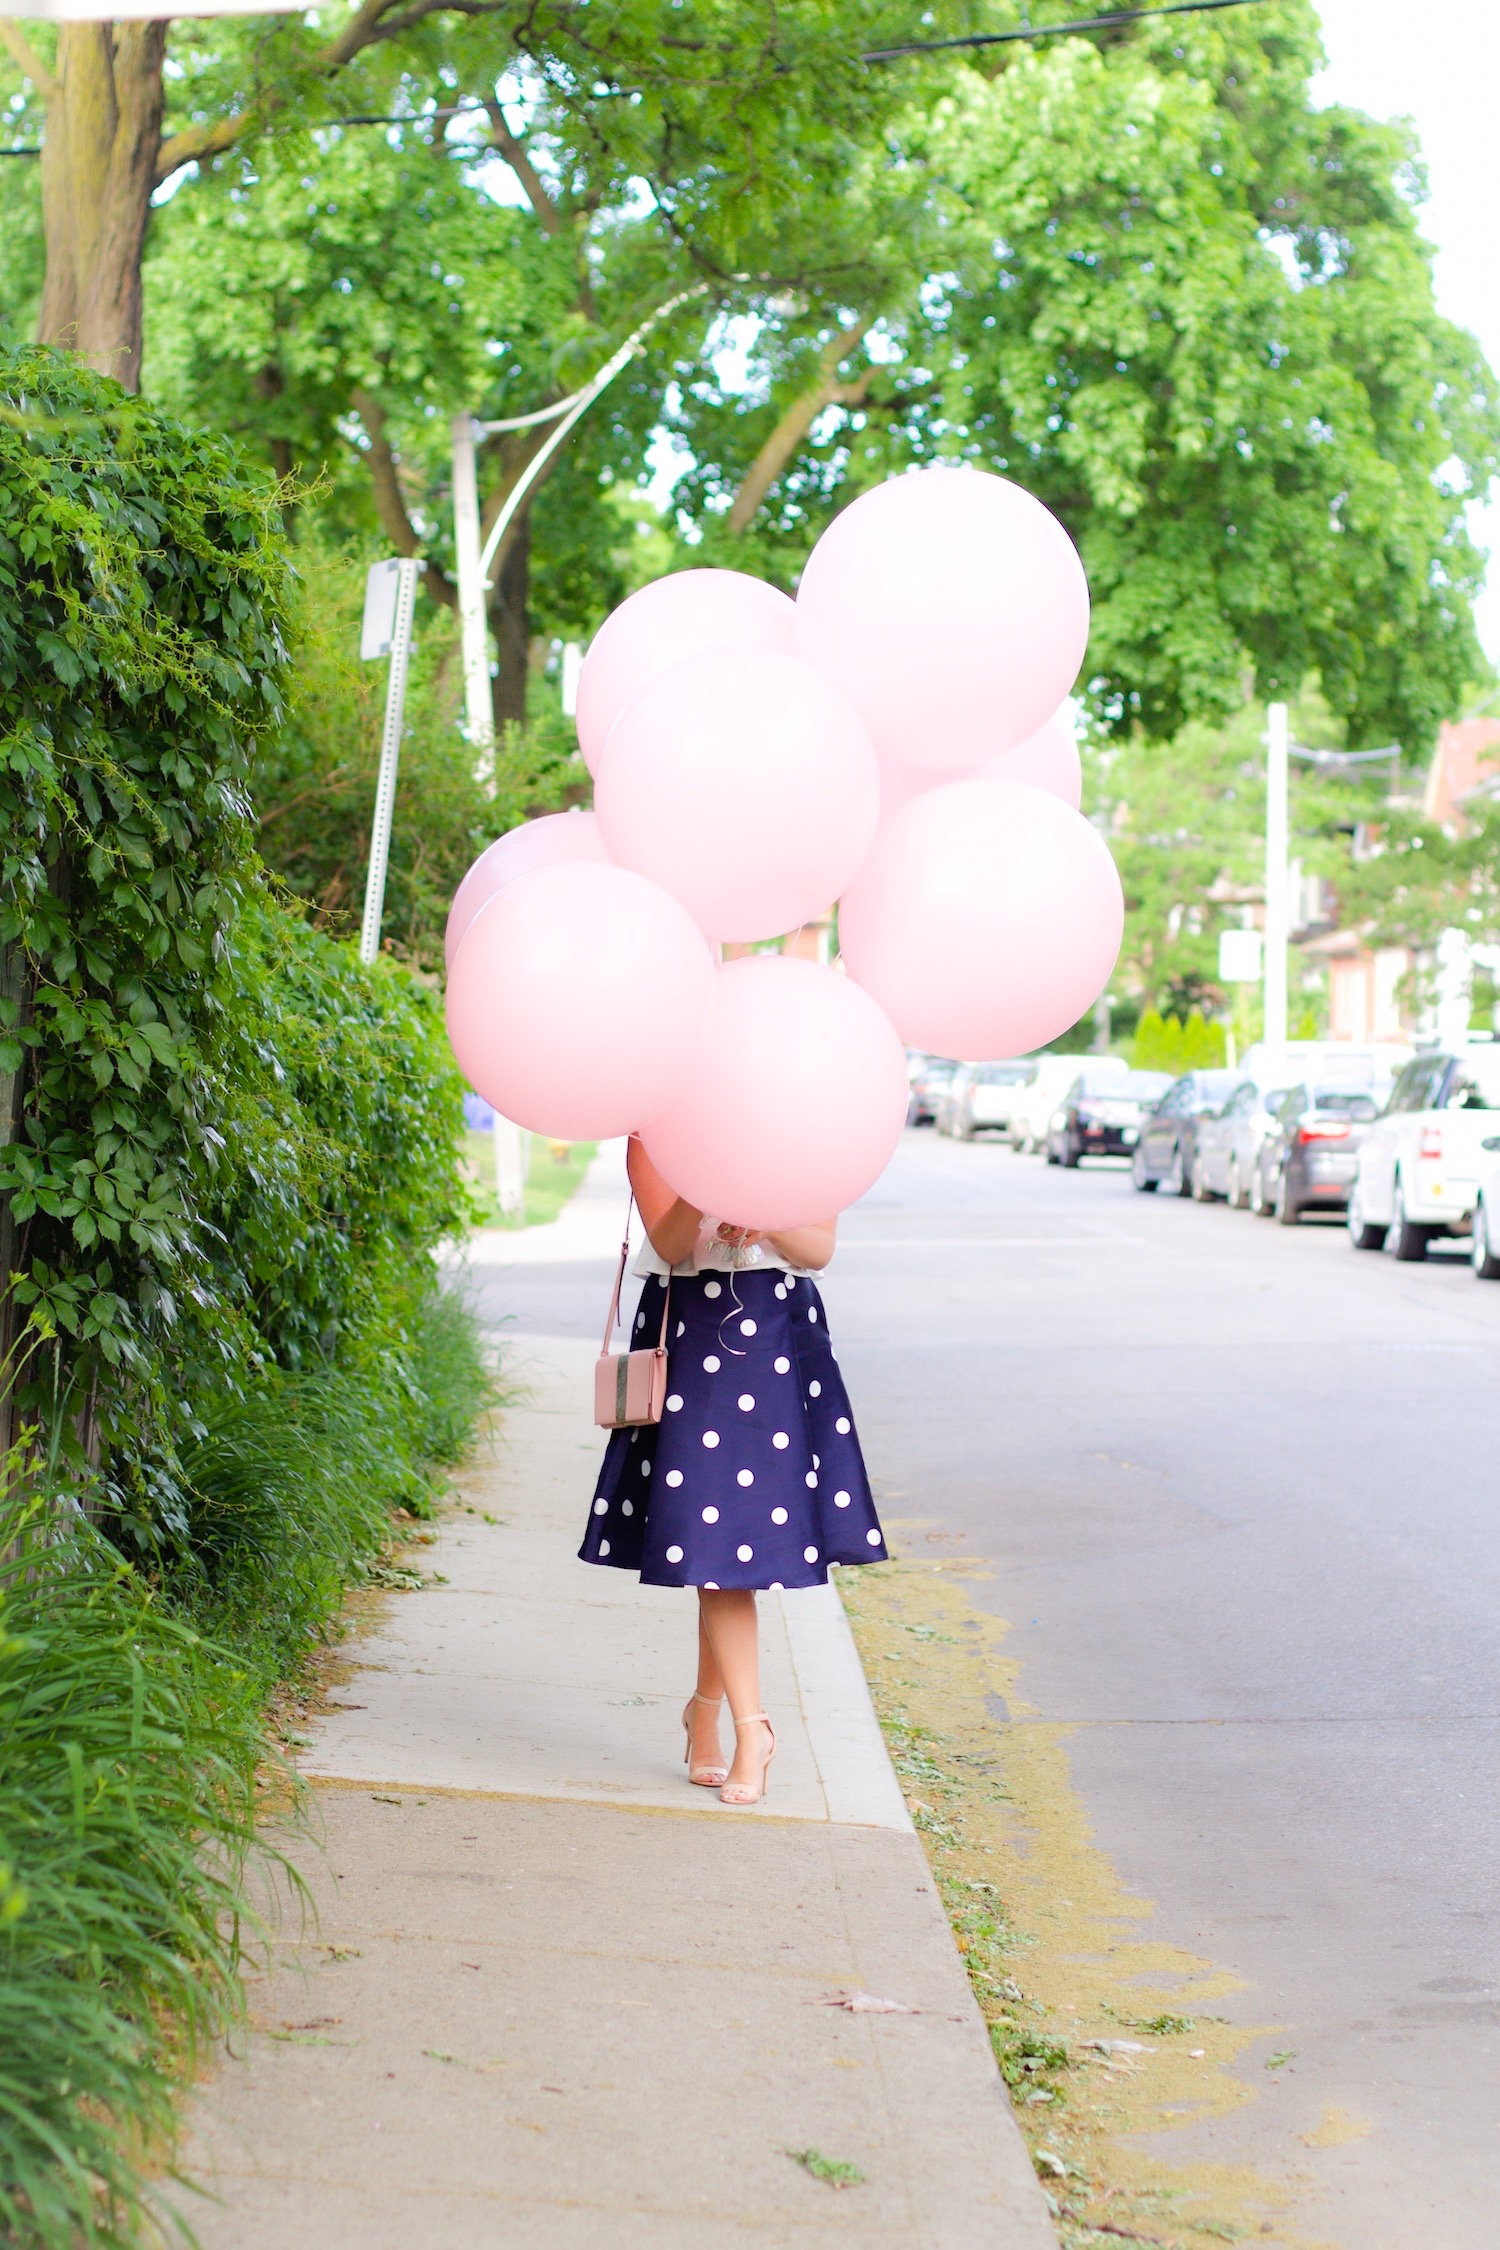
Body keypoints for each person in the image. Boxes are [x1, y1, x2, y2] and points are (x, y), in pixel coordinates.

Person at [579, 1136, 887, 1806]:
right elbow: (667, 1242)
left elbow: (818, 1249)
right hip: (691, 1332)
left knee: (723, 1548)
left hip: (777, 1335)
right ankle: (754, 1729)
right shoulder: (654, 1129)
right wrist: (708, 1185)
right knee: (712, 1539)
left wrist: (766, 1214)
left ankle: (708, 1713)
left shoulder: (801, 1126)